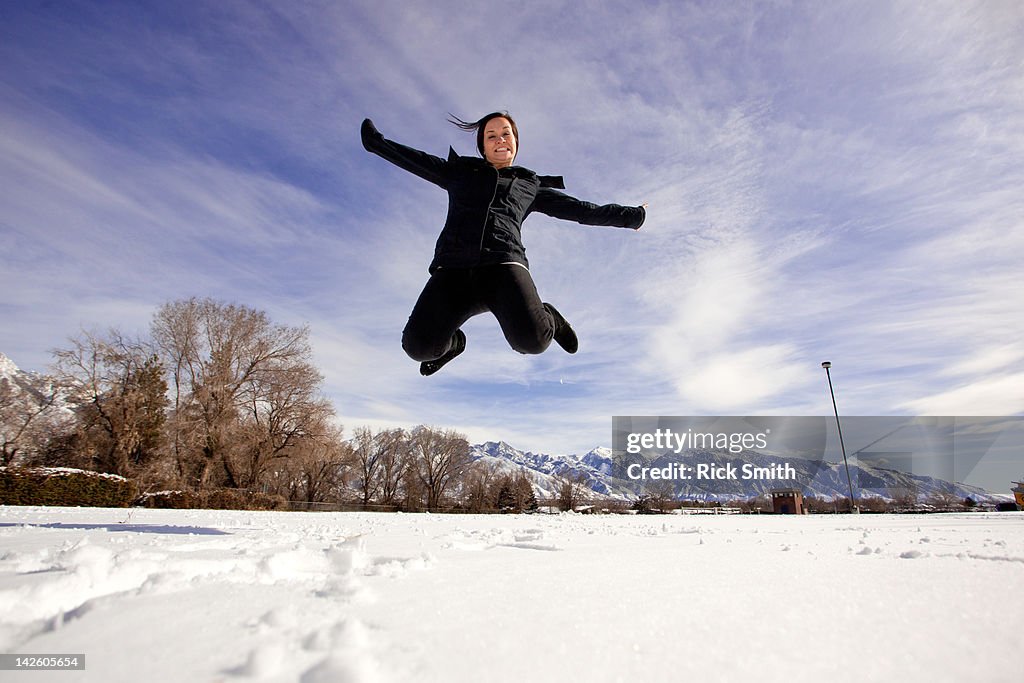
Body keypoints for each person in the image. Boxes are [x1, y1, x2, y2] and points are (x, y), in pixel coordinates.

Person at [361, 112, 645, 376]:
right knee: (418, 348)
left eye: (506, 134)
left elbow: (583, 210)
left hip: (503, 265)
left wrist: (632, 217)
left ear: (516, 143)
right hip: (453, 270)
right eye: (492, 136)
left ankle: (551, 318)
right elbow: (415, 160)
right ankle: (455, 343)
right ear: (483, 146)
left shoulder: (529, 185)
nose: (500, 140)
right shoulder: (459, 173)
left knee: (533, 341)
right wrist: (376, 144)